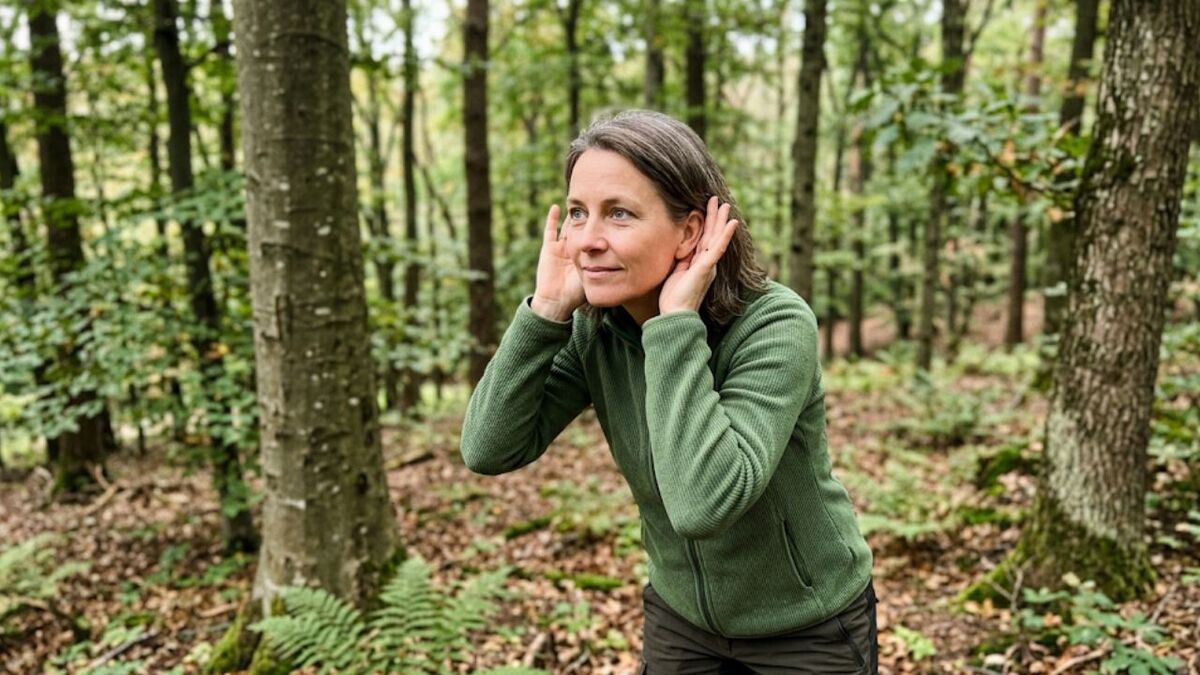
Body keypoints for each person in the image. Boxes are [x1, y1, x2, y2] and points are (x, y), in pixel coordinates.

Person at [461, 110, 876, 674]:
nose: (588, 240)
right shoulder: (594, 327)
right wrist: (546, 313)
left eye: (620, 214)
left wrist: (674, 323)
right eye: (578, 213)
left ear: (690, 231)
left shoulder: (774, 324)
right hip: (682, 621)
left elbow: (705, 503)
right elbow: (488, 448)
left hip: (807, 625)